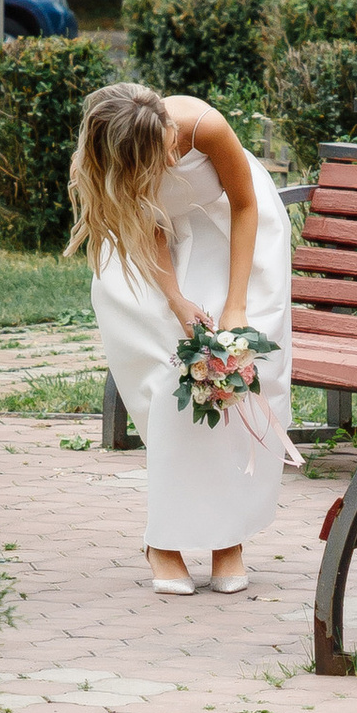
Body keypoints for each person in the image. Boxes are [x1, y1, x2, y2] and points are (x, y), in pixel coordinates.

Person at [67, 81, 295, 595]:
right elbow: (149, 227)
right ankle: (164, 541)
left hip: (232, 234)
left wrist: (235, 306)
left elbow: (243, 204)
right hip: (150, 249)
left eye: (169, 143)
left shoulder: (203, 125)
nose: (172, 154)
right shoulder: (116, 157)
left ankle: (227, 539)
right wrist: (176, 301)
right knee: (175, 375)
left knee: (233, 373)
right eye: (158, 157)